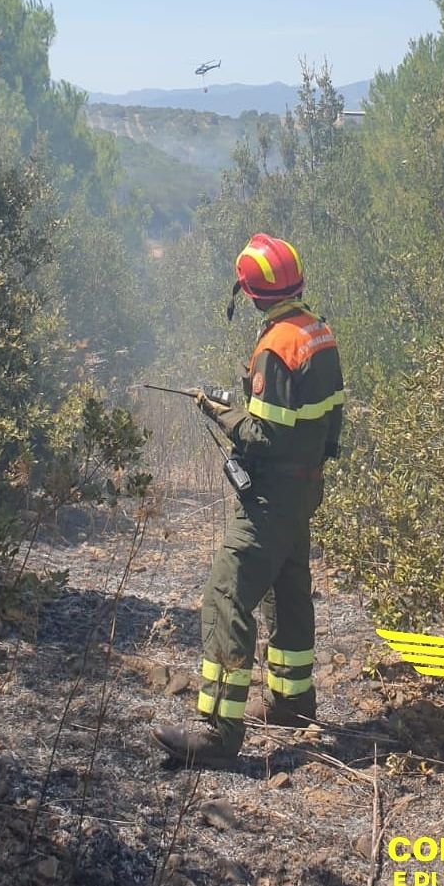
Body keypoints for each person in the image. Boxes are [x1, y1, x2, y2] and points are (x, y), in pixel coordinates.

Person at [152, 234, 344, 767]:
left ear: (253, 293)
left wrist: (219, 412)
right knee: (287, 586)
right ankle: (292, 702)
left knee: (226, 593)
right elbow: (321, 419)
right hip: (304, 486)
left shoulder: (276, 346)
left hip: (274, 493)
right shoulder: (316, 333)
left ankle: (218, 732)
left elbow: (265, 437)